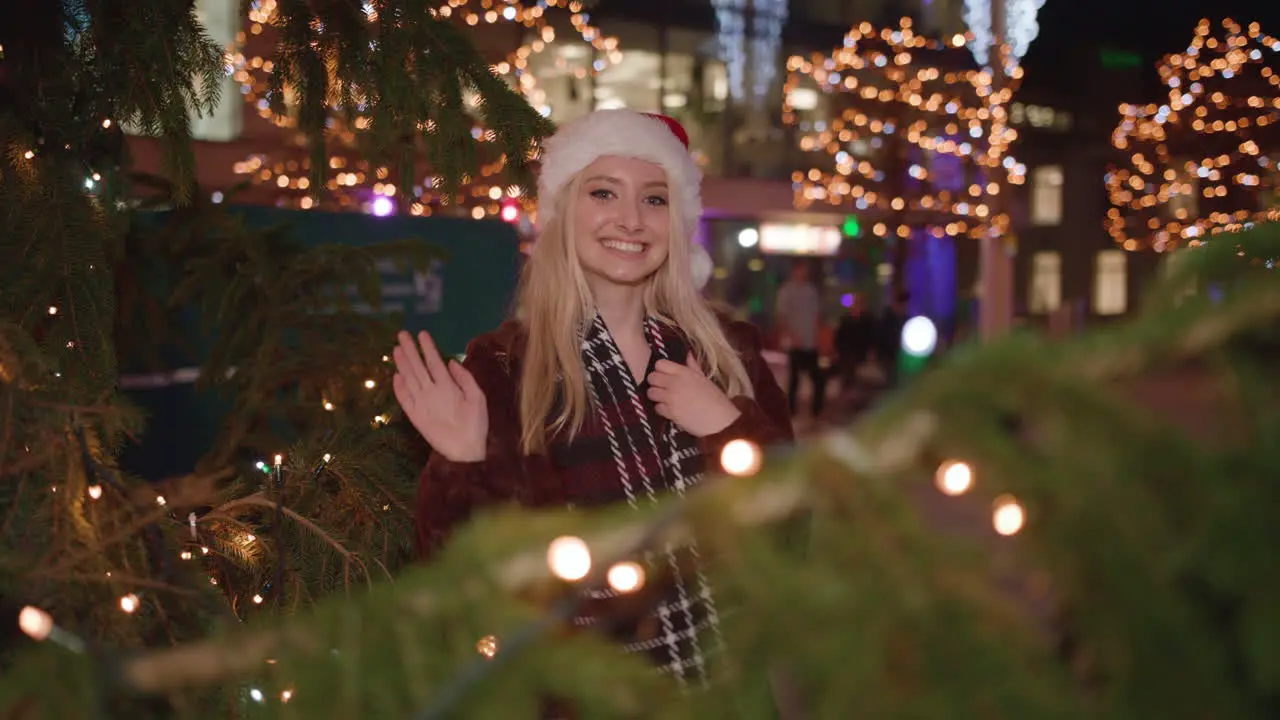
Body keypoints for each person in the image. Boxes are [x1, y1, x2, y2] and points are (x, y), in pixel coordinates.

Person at [391, 109, 793, 692]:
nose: (631, 219)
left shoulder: (728, 355)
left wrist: (727, 426)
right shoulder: (505, 371)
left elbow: (792, 532)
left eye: (655, 200)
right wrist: (462, 463)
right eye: (604, 192)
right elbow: (470, 587)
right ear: (563, 213)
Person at [775, 261, 824, 419]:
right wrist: (792, 336)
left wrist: (817, 338)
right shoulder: (786, 291)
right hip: (794, 344)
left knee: (817, 378)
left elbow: (816, 316)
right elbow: (782, 317)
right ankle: (791, 410)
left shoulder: (811, 291)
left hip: (810, 342)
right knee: (794, 379)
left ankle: (817, 410)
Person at [833, 293, 875, 403]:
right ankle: (847, 397)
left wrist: (871, 351)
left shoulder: (868, 320)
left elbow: (872, 338)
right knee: (848, 369)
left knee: (860, 374)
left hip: (861, 353)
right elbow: (839, 338)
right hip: (847, 354)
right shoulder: (846, 321)